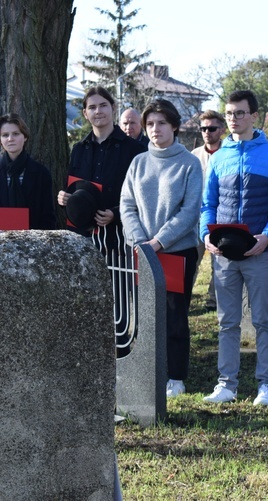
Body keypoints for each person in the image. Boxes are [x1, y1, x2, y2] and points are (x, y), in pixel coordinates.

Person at [200, 89, 268, 406]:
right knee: (227, 322)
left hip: (258, 253)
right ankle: (227, 384)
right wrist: (205, 235)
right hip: (223, 254)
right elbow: (207, 204)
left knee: (263, 321)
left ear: (254, 116)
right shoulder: (219, 157)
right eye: (229, 114)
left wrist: (267, 237)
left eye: (240, 113)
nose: (234, 119)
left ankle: (266, 384)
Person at [120, 98, 203, 398]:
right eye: (151, 124)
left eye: (162, 123)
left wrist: (159, 241)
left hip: (176, 251)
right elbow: (127, 205)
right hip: (142, 250)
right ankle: (148, 371)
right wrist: (140, 240)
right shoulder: (138, 163)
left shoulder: (189, 164)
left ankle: (176, 377)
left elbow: (190, 210)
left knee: (174, 315)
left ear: (175, 126)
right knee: (144, 313)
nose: (155, 129)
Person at [58, 86, 147, 346]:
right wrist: (65, 198)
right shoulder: (79, 150)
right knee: (89, 301)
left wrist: (116, 215)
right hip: (84, 238)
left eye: (103, 105)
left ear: (113, 108)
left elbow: (142, 197)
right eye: (92, 107)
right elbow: (74, 188)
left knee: (120, 301)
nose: (98, 111)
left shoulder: (133, 150)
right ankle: (94, 356)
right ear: (85, 113)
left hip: (118, 238)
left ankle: (122, 352)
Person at [191, 110, 227, 311]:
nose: (207, 132)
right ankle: (186, 296)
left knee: (219, 261)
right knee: (192, 259)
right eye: (203, 128)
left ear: (221, 130)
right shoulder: (194, 156)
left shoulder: (228, 153)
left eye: (212, 128)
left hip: (220, 216)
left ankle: (214, 300)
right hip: (196, 217)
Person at [0, 113, 56, 229]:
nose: (10, 139)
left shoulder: (41, 174)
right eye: (5, 135)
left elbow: (48, 217)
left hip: (33, 242)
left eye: (16, 134)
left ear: (25, 137)